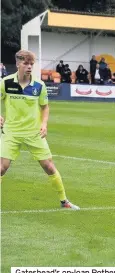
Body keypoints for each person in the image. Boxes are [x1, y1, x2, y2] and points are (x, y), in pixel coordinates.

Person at [0, 50, 79, 210]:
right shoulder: (5, 83)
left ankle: (64, 202)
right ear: (17, 64)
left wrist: (44, 123)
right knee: (2, 167)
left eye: (31, 64)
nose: (29, 67)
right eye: (25, 63)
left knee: (49, 166)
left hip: (34, 133)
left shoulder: (39, 85)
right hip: (11, 132)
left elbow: (45, 107)